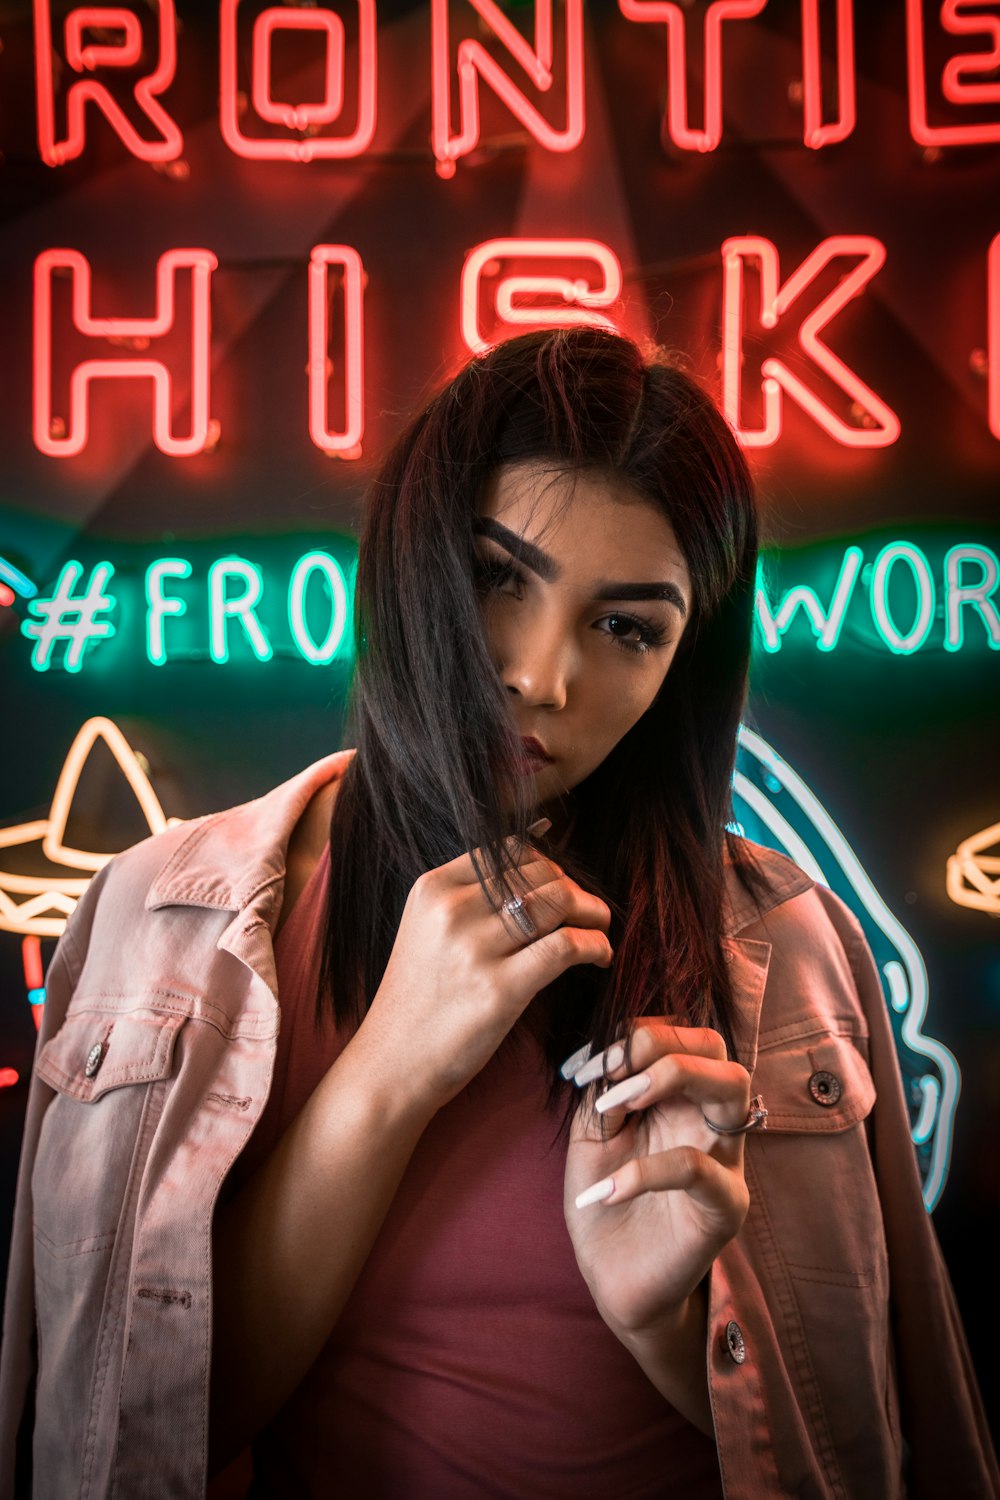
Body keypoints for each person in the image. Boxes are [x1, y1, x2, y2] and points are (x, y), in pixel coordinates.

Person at [1, 327, 995, 1500]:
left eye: (626, 627)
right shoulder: (152, 916)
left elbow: (871, 1433)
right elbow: (129, 1433)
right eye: (496, 576)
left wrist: (664, 1324)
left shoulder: (786, 948)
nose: (541, 676)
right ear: (410, 560)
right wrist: (386, 1074)